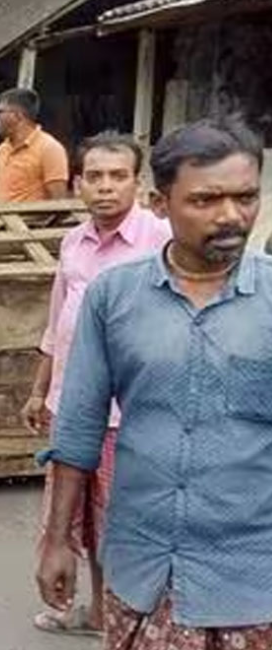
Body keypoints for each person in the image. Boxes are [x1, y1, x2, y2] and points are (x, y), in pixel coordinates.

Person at [38, 116, 272, 650]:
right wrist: (57, 541)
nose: (231, 216)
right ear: (161, 204)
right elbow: (78, 428)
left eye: (245, 197)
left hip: (253, 580)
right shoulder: (113, 297)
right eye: (206, 200)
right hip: (141, 570)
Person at [23, 132, 171, 637]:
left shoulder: (160, 240)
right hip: (74, 407)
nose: (106, 188)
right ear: (77, 183)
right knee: (81, 519)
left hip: (129, 414)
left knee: (123, 523)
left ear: (138, 182)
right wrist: (40, 389)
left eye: (118, 176)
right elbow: (57, 321)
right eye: (94, 177)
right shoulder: (73, 242)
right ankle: (100, 612)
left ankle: (135, 619)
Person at [0, 88, 70, 202]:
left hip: (24, 220)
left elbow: (59, 201)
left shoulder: (49, 148)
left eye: (0, 112)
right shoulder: (2, 149)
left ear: (17, 116)